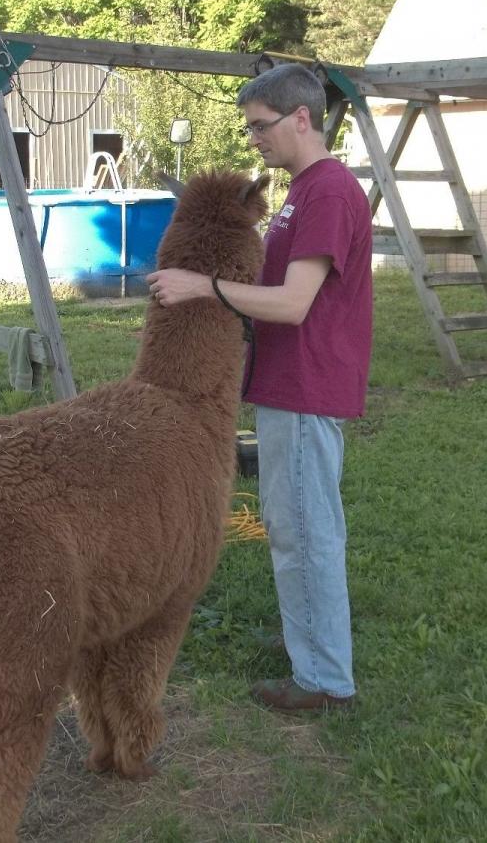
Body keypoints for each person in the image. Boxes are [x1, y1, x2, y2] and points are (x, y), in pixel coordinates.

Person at [146, 63, 373, 714]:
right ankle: (311, 641)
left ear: (301, 117)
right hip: (286, 383)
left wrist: (202, 287)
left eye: (259, 125)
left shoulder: (327, 193)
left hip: (306, 385)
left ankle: (326, 678)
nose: (252, 139)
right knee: (291, 522)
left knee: (306, 528)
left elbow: (295, 302)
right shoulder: (303, 191)